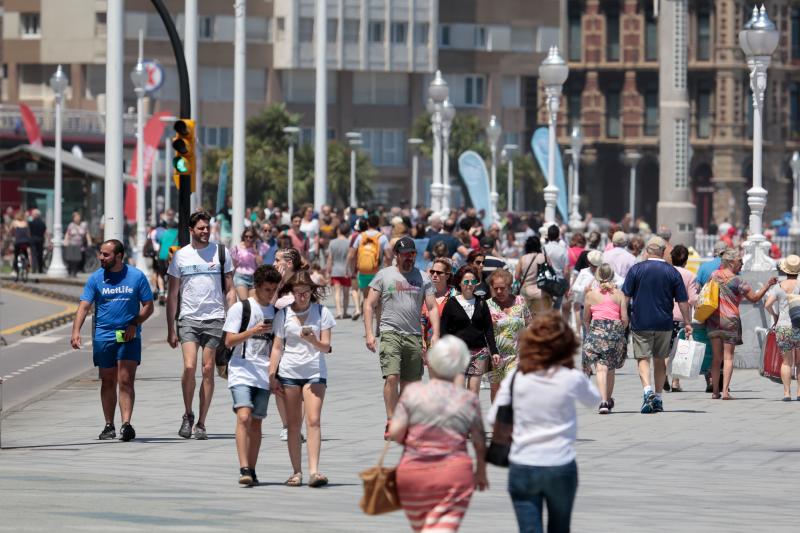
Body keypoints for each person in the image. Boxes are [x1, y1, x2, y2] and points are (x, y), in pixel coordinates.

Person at [488, 312, 600, 533]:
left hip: (523, 464)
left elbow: (493, 418)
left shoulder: (517, 377)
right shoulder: (570, 377)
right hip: (560, 464)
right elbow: (594, 399)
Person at [389, 336, 488, 532]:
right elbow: (479, 440)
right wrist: (481, 471)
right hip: (453, 474)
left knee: (423, 528)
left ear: (432, 363)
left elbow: (396, 432)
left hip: (413, 474)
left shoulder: (413, 393)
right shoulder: (468, 399)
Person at [70, 240, 154, 441]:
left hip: (128, 335)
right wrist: (76, 331)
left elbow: (148, 306)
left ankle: (126, 424)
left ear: (119, 256)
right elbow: (84, 306)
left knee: (126, 379)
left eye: (106, 255)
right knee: (108, 380)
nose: (101, 258)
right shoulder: (96, 278)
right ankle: (109, 425)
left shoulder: (136, 276)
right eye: (101, 253)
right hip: (104, 336)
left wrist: (136, 322)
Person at [166, 211, 235, 439]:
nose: (205, 232)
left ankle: (202, 423)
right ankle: (188, 414)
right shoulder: (181, 257)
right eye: (201, 228)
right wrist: (170, 328)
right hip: (188, 318)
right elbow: (172, 294)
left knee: (207, 369)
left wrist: (233, 320)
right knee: (189, 366)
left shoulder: (221, 253)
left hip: (215, 317)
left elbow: (230, 290)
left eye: (207, 228)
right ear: (191, 230)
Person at [363, 236, 440, 439]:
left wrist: (436, 335)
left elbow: (432, 307)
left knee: (410, 383)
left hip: (413, 335)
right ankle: (391, 420)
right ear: (396, 255)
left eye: (412, 254)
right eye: (406, 254)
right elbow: (369, 304)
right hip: (390, 332)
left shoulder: (423, 277)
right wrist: (370, 333)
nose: (409, 258)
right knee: (392, 377)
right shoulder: (384, 275)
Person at [269, 271, 336, 488]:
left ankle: (314, 471)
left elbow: (327, 347)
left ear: (312, 292)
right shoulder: (283, 315)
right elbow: (277, 347)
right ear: (292, 293)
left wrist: (313, 340)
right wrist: (272, 375)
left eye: (306, 292)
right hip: (289, 372)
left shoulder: (321, 312)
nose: (302, 297)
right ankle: (296, 471)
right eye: (298, 293)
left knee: (313, 420)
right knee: (293, 424)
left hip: (315, 370)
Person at [222, 265, 281, 486]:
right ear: (256, 287)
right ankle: (244, 467)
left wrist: (275, 374)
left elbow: (278, 345)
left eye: (274, 290)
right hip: (241, 368)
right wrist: (251, 332)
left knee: (256, 422)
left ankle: (252, 469)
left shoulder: (276, 312)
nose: (270, 294)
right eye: (267, 289)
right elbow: (229, 341)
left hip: (264, 372)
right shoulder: (241, 308)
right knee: (244, 416)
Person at [622, 236, 693, 414]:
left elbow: (625, 297)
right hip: (664, 322)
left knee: (643, 358)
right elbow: (682, 301)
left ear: (647, 251)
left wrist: (624, 317)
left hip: (641, 321)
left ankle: (647, 391)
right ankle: (659, 397)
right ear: (663, 252)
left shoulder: (636, 269)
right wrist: (687, 322)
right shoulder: (672, 272)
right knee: (660, 359)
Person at [706, 249, 776, 399]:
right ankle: (725, 391)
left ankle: (715, 392)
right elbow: (755, 298)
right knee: (728, 357)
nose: (742, 265)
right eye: (740, 262)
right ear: (731, 263)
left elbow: (704, 293)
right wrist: (767, 285)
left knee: (716, 358)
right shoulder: (738, 281)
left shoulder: (713, 276)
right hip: (730, 320)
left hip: (713, 320)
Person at [440, 265, 501, 397]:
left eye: (473, 282)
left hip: (479, 351)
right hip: (458, 352)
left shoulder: (481, 303)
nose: (469, 285)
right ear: (460, 283)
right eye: (466, 282)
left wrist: (494, 351)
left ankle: (472, 416)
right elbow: (444, 330)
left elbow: (488, 329)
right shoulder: (451, 303)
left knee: (473, 392)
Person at [582, 263, 628, 414]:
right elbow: (625, 318)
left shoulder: (590, 295)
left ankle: (602, 402)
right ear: (612, 276)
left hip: (597, 331)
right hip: (614, 333)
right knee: (611, 368)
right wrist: (621, 331)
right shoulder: (619, 294)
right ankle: (608, 399)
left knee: (601, 368)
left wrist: (590, 332)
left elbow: (586, 318)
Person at [486, 269, 531, 401]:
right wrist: (488, 323)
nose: (499, 291)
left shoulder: (520, 301)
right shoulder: (487, 305)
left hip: (517, 354)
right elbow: (480, 328)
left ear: (509, 287)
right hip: (494, 355)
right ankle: (497, 417)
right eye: (496, 288)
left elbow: (530, 324)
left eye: (502, 288)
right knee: (496, 388)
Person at [765, 254, 800, 401]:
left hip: (783, 327)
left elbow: (767, 305)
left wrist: (775, 315)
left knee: (786, 362)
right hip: (798, 327)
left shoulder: (779, 287)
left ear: (785, 270)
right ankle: (799, 393)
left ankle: (787, 393)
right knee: (799, 362)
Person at [667, 245, 698, 392]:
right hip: (681, 316)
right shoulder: (690, 275)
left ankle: (662, 377)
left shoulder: (665, 272)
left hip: (665, 314)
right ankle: (675, 382)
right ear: (686, 260)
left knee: (665, 349)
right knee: (679, 350)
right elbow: (692, 299)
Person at [349, 214, 390, 310]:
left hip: (363, 271)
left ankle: (366, 318)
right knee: (378, 298)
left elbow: (351, 255)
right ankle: (378, 323)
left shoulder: (360, 237)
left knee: (366, 297)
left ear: (367, 223)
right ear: (378, 224)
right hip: (377, 271)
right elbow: (388, 256)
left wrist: (353, 268)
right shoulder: (382, 237)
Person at [421, 257, 453, 351]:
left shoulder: (454, 295)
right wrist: (421, 338)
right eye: (432, 272)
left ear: (447, 276)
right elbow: (421, 320)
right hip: (429, 345)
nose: (434, 275)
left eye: (439, 273)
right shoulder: (424, 295)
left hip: (450, 346)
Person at [515, 236, 549, 313]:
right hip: (542, 293)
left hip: (527, 293)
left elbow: (516, 277)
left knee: (528, 320)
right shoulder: (544, 257)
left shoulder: (523, 258)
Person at [230, 227, 265, 301]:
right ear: (243, 237)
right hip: (240, 277)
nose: (248, 238)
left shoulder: (257, 248)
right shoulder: (237, 248)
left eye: (251, 237)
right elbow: (234, 265)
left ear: (254, 238)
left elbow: (260, 263)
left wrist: (255, 251)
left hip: (253, 278)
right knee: (245, 302)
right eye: (246, 236)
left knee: (253, 302)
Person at [326, 222, 352, 318]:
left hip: (335, 270)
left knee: (336, 293)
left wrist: (328, 271)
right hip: (346, 271)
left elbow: (330, 258)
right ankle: (345, 312)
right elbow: (351, 257)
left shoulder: (332, 242)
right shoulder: (349, 243)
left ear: (338, 230)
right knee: (346, 293)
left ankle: (338, 312)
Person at [156, 220, 179, 306]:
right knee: (172, 276)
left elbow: (159, 242)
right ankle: (168, 294)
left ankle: (161, 292)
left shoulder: (164, 233)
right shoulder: (179, 233)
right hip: (173, 256)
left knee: (160, 274)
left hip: (162, 257)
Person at [11, 210, 31, 277]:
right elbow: (28, 233)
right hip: (26, 242)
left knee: (16, 256)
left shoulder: (14, 222)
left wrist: (11, 235)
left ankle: (15, 270)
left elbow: (10, 230)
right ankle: (27, 265)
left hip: (18, 242)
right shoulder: (25, 222)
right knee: (25, 253)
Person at [28, 209, 46, 273]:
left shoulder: (31, 223)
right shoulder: (42, 223)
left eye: (32, 214)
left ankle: (34, 269)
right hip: (40, 240)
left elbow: (29, 231)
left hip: (33, 240)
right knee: (40, 255)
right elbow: (44, 231)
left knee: (33, 255)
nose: (32, 215)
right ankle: (40, 269)